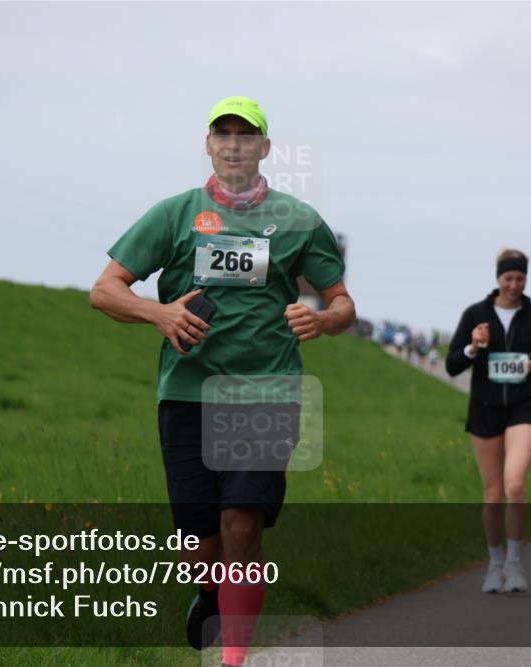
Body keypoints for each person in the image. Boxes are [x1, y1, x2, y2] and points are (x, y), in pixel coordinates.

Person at [90, 96, 355, 666]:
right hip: (187, 393)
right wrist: (159, 314)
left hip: (267, 391)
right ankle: (210, 590)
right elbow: (104, 290)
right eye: (223, 134)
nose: (234, 144)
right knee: (200, 543)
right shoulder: (173, 214)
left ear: (264, 147)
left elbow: (343, 303)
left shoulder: (300, 220)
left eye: (246, 134)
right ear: (208, 145)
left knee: (242, 523)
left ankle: (232, 658)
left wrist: (325, 318)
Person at [446, 249, 531, 594]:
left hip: (523, 407)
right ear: (498, 278)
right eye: (508, 278)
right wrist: (473, 346)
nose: (514, 284)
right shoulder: (476, 314)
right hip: (484, 407)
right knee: (494, 495)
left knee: (515, 484)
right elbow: (453, 365)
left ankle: (514, 563)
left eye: (520, 278)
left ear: (526, 279)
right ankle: (494, 565)